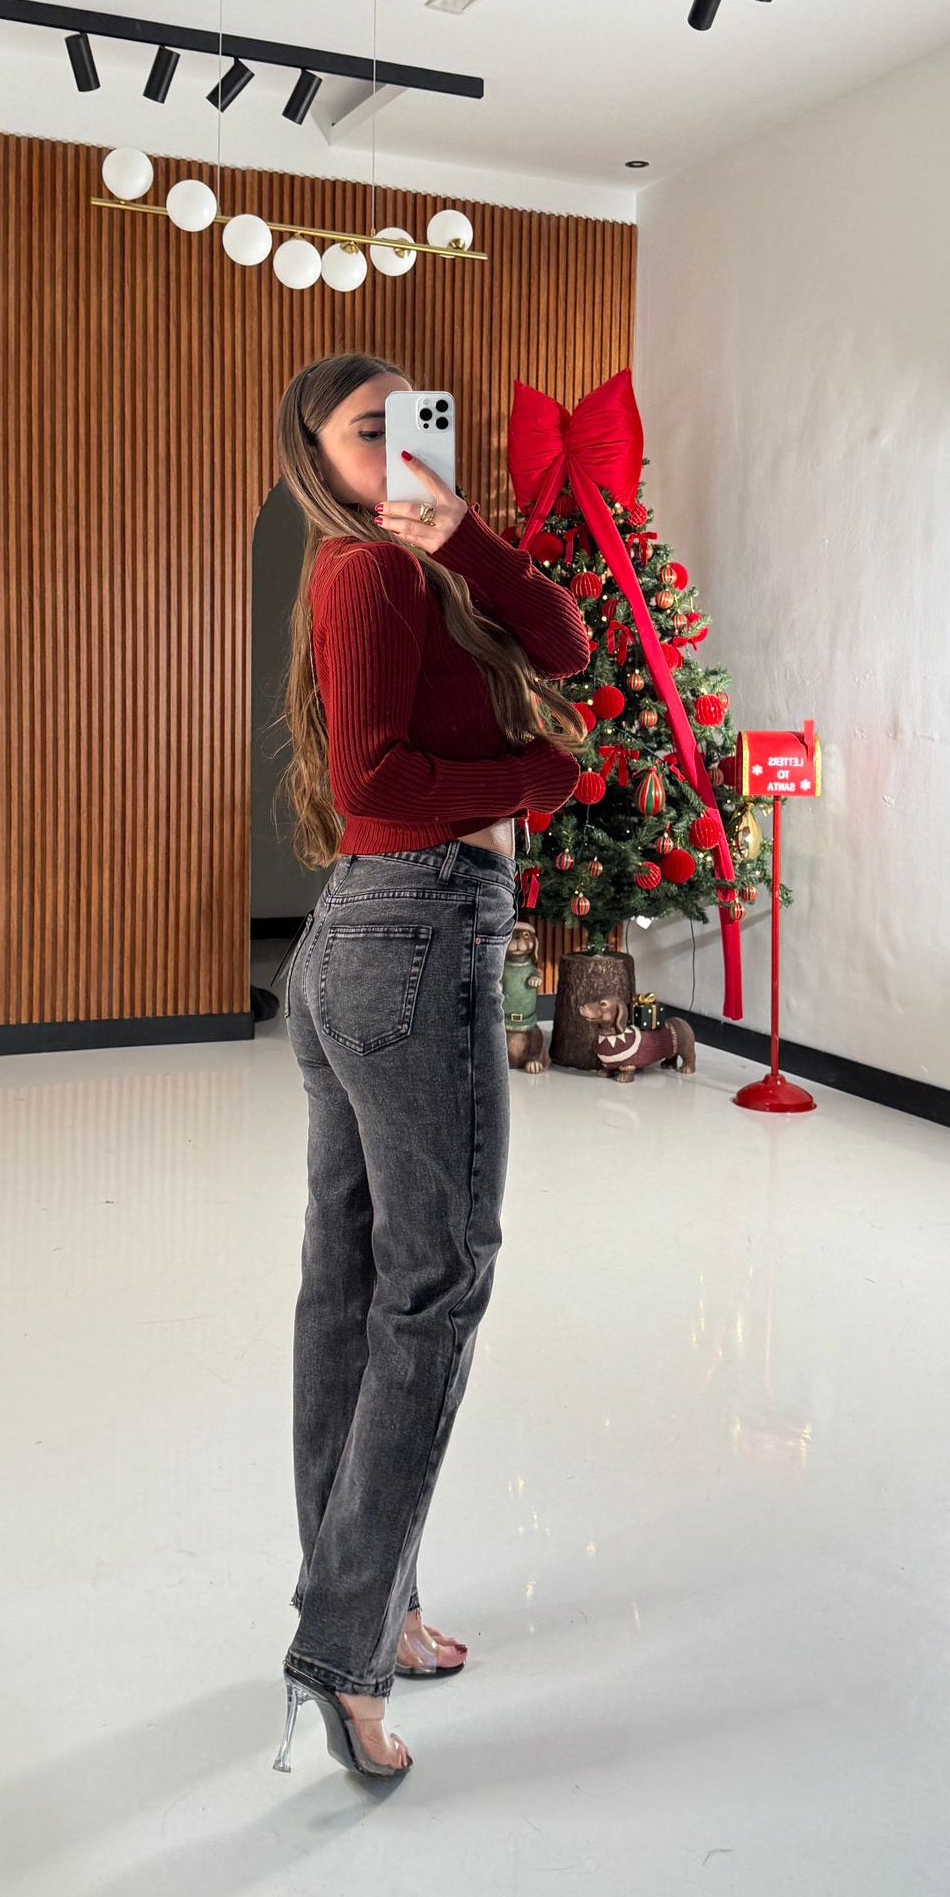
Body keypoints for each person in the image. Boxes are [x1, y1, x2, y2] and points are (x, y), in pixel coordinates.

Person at [270, 352, 589, 1780]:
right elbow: (376, 785)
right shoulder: (368, 577)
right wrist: (540, 778)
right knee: (431, 1290)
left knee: (354, 1293)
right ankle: (346, 1649)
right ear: (317, 456)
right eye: (369, 429)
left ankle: (369, 1612)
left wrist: (466, 532)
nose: (399, 444)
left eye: (416, 419)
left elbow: (565, 644)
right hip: (414, 934)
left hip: (368, 939)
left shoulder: (426, 565)